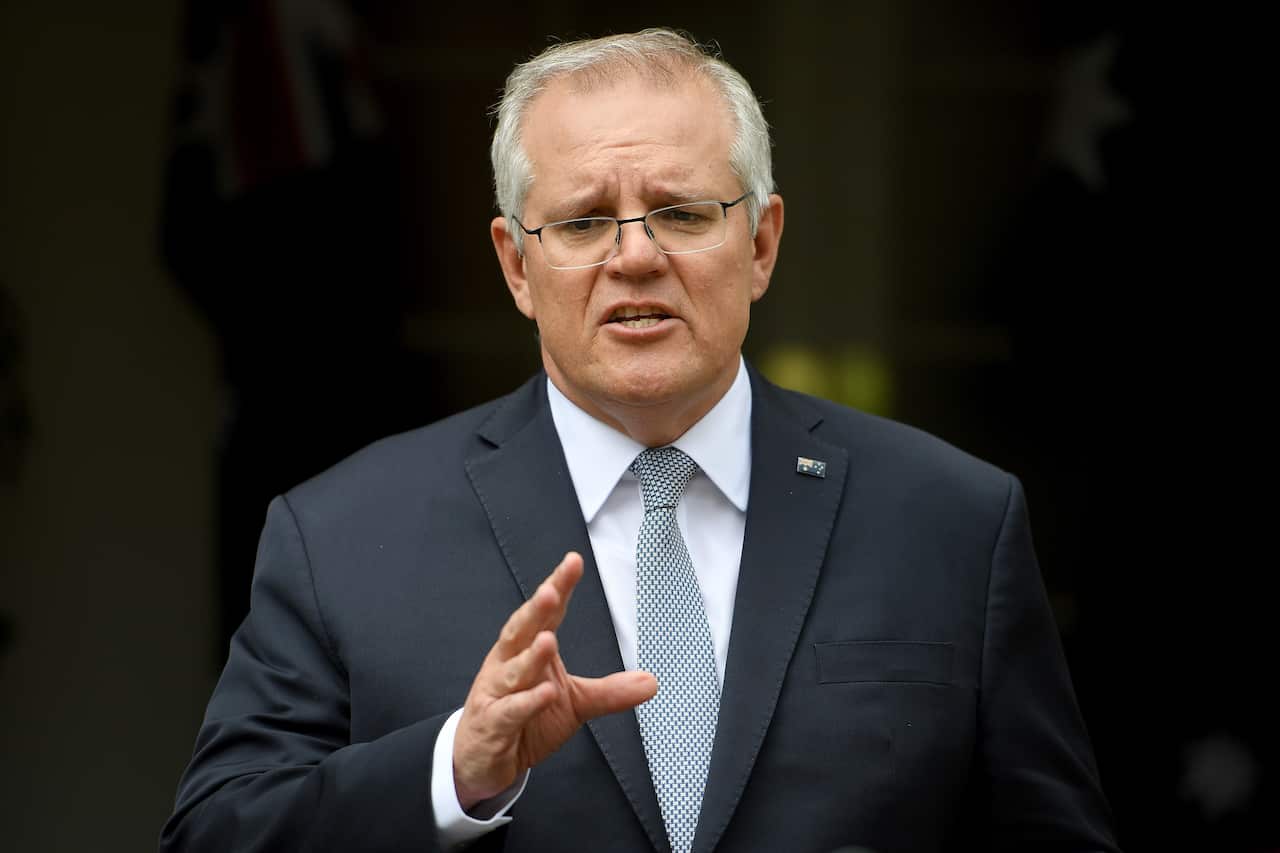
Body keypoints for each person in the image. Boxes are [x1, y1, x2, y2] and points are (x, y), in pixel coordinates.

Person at [161, 28, 1121, 853]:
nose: (634, 256)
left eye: (682, 212)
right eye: (582, 221)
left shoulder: (953, 520)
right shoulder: (340, 534)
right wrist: (456, 769)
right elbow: (217, 832)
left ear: (761, 244)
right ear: (516, 266)